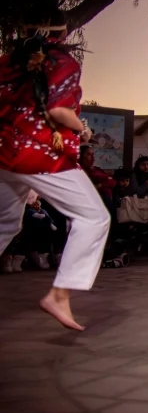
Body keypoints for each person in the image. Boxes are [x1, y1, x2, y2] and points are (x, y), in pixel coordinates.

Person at [0, 19, 110, 330]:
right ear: (62, 32)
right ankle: (60, 295)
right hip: (39, 153)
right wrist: (83, 129)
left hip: (5, 151)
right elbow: (58, 110)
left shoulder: (7, 62)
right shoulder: (60, 61)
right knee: (93, 217)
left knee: (5, 222)